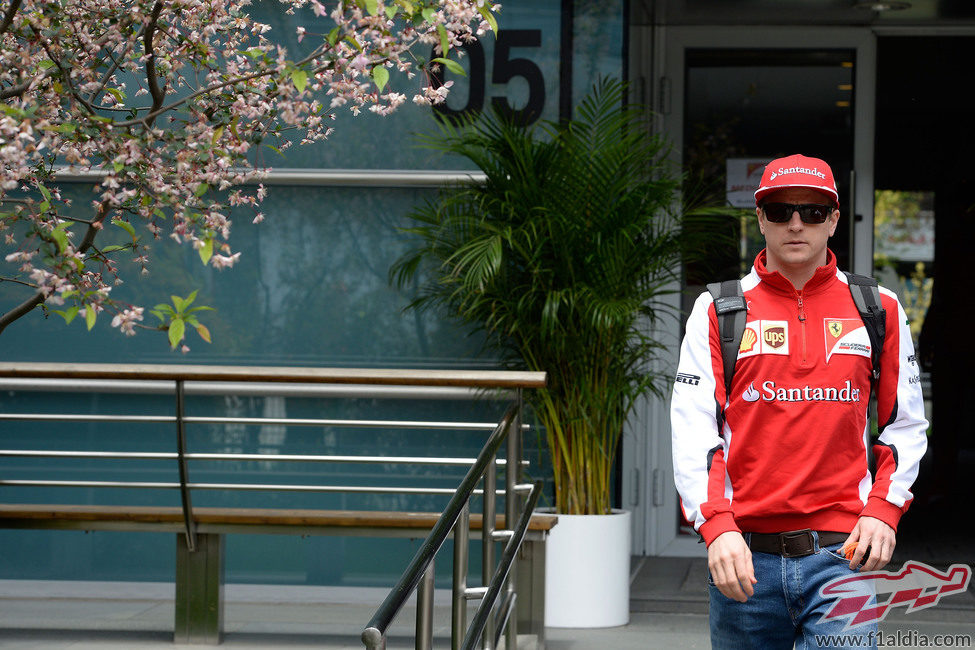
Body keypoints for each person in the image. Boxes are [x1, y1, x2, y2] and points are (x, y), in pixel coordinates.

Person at [670, 154, 928, 649]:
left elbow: (905, 425)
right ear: (761, 219)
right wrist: (717, 525)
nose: (796, 224)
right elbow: (693, 429)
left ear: (833, 221)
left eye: (812, 212)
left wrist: (883, 509)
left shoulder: (879, 307)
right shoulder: (720, 308)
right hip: (743, 558)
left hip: (841, 558)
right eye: (782, 210)